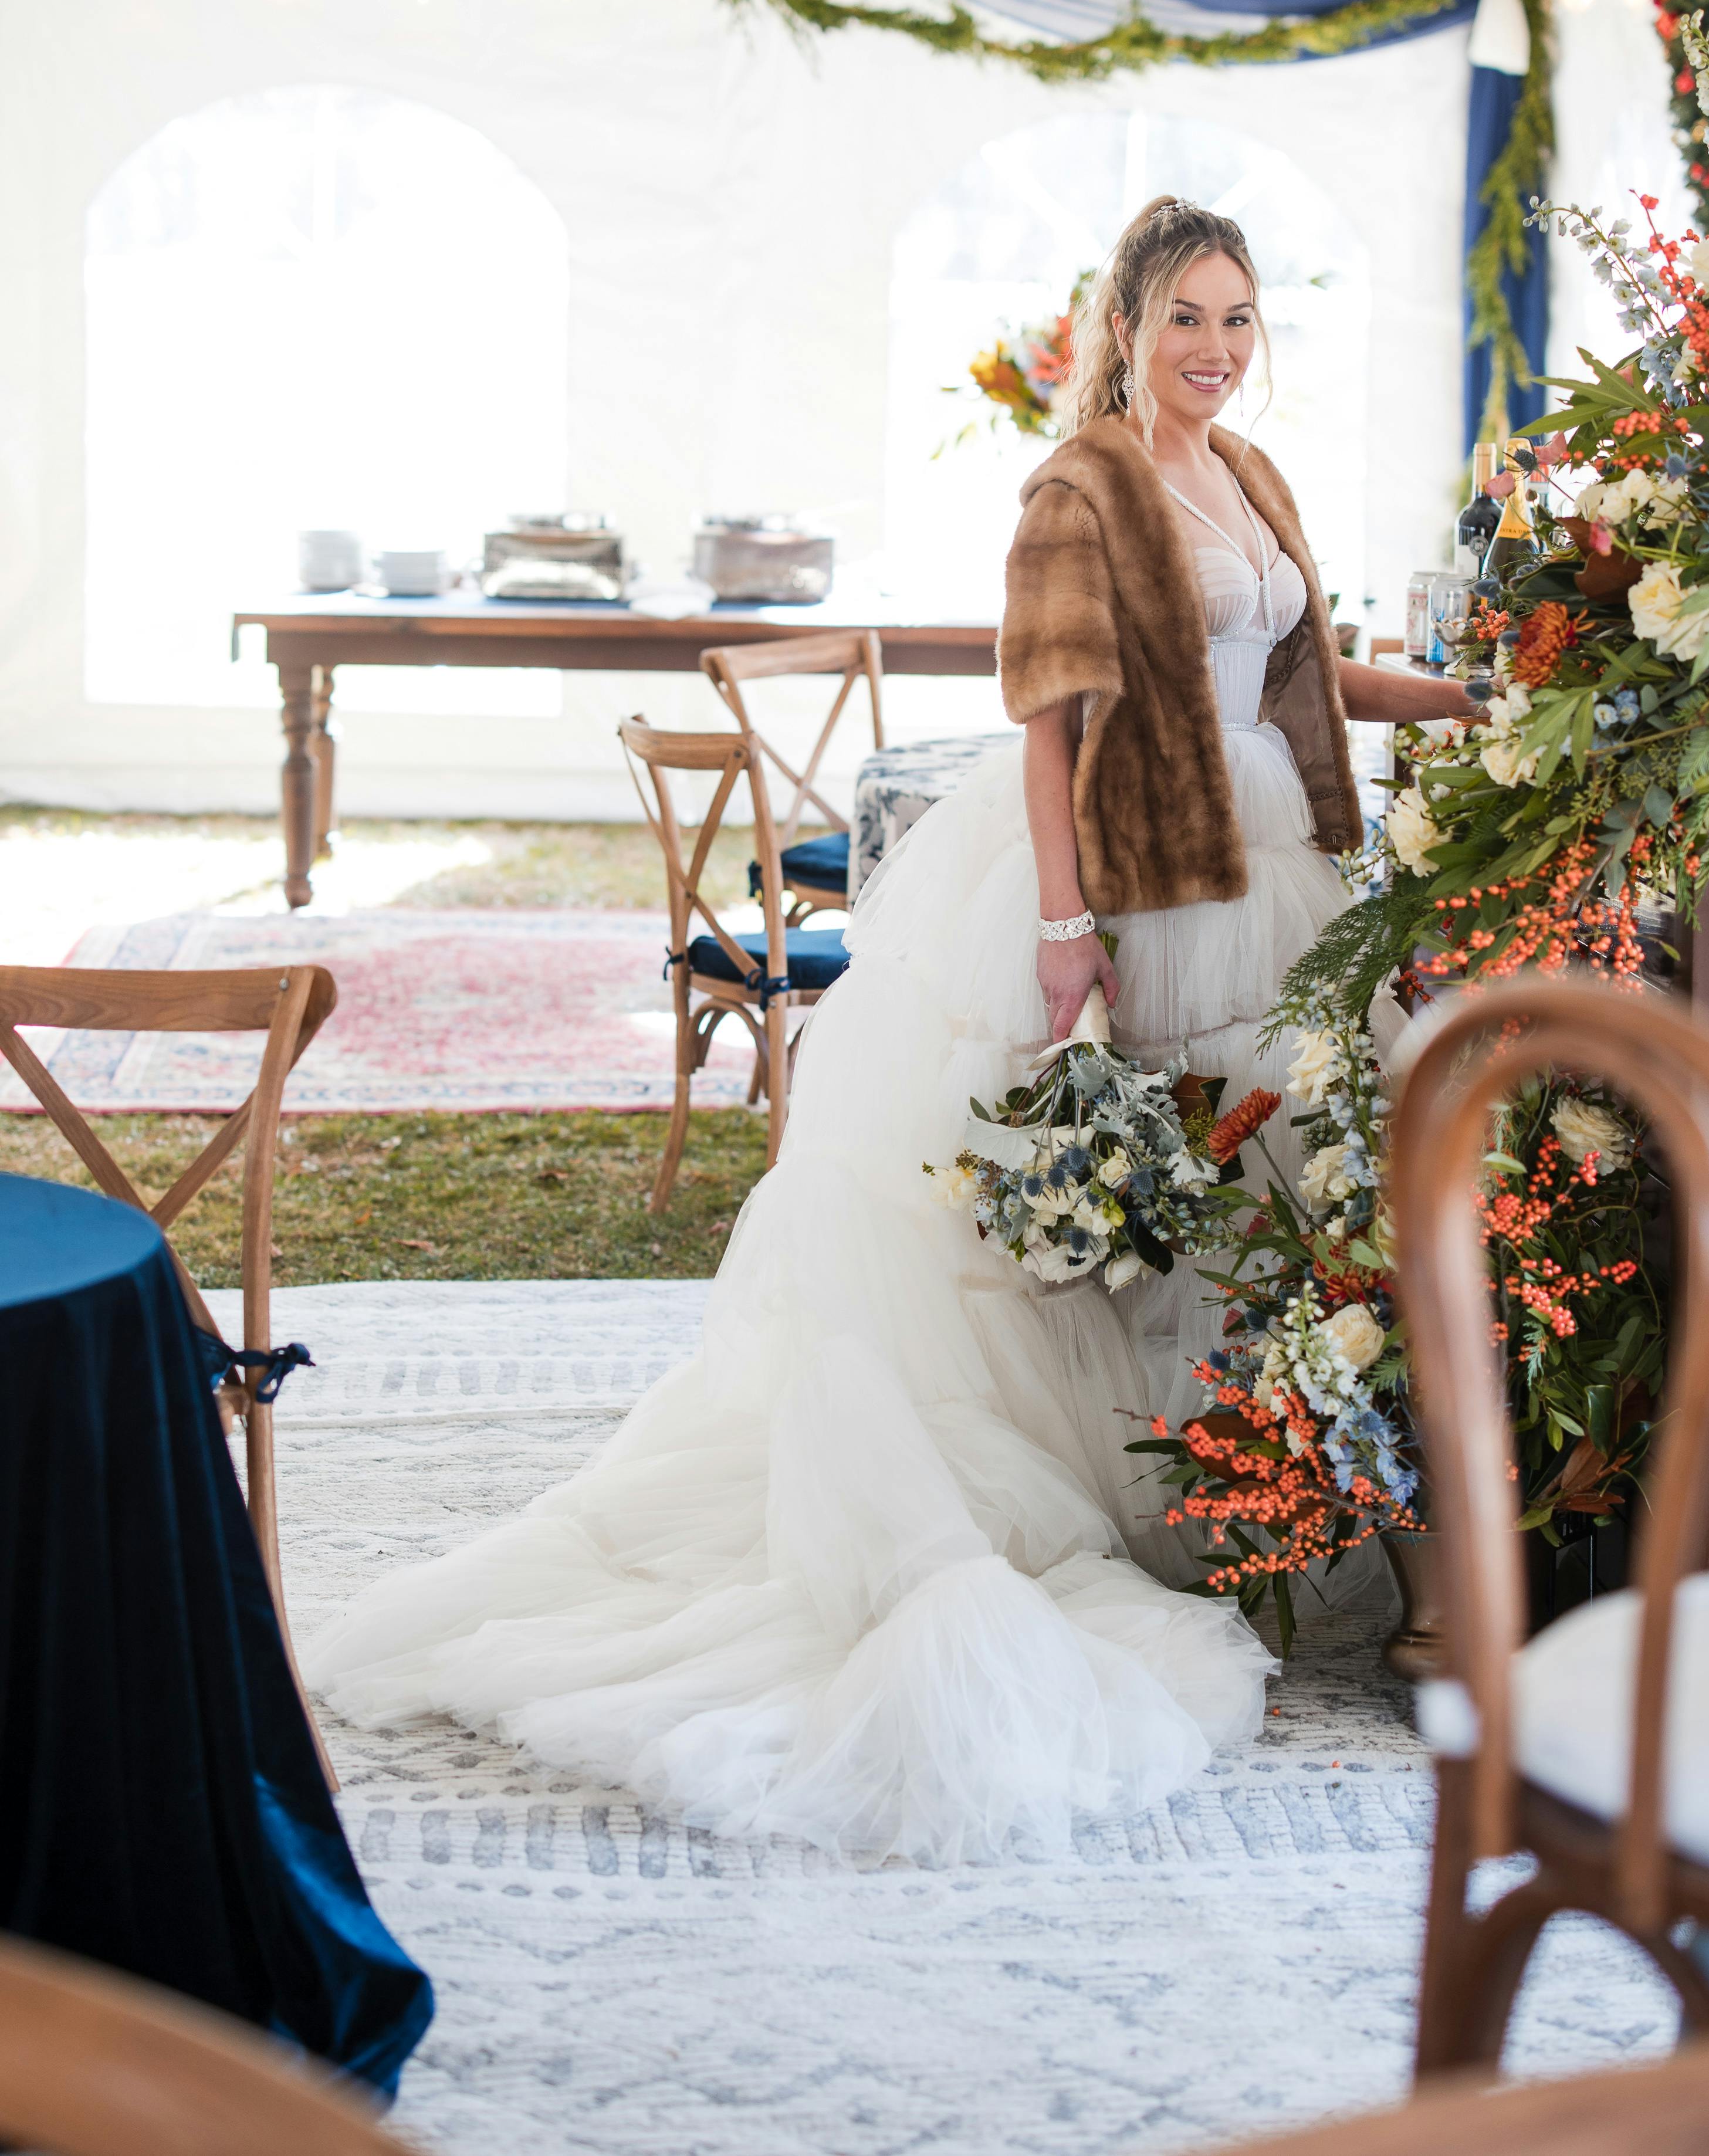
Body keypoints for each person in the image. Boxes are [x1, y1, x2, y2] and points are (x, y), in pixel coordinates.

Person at [305, 196, 1477, 1866]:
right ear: (1127, 325)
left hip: (1269, 859)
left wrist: (1455, 693)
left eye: (1237, 317)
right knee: (1132, 1189)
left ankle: (1259, 1502)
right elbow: (1054, 727)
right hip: (1140, 871)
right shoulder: (1080, 491)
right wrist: (1066, 931)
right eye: (1185, 317)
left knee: (1275, 1180)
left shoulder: (1249, 471)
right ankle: (1139, 1504)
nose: (1214, 347)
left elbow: (1303, 674)